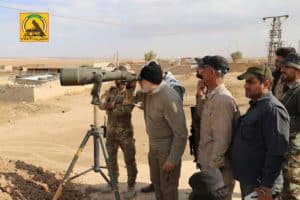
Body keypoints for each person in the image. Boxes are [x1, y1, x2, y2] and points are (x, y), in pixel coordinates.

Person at [232, 65, 290, 200]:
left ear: (266, 84)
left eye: (251, 82)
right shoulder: (257, 106)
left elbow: (276, 151)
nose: (246, 86)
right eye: (246, 82)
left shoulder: (272, 110)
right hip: (251, 181)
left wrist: (266, 186)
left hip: (261, 185)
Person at [136, 62, 188, 200]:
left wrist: (173, 158)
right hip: (154, 148)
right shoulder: (149, 93)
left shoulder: (169, 98)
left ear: (148, 81)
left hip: (167, 150)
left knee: (168, 189)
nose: (139, 84)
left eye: (141, 81)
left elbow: (181, 134)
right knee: (157, 186)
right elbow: (130, 99)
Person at [194, 55, 239, 200]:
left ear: (212, 72)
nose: (200, 72)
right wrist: (199, 96)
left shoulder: (222, 100)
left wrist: (212, 171)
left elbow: (222, 139)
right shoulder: (212, 95)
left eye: (203, 69)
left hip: (218, 168)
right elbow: (203, 117)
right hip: (210, 163)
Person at [98, 66, 138, 200]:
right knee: (111, 159)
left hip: (125, 134)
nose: (117, 81)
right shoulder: (111, 90)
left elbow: (125, 111)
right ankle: (113, 182)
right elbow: (100, 103)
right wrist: (112, 104)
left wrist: (111, 106)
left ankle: (131, 186)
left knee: (129, 160)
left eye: (119, 78)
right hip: (111, 132)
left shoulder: (129, 92)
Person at [279, 53, 300, 200]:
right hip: (287, 153)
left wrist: (282, 123)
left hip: (295, 155)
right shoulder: (290, 90)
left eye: (287, 67)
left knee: (293, 192)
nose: (282, 70)